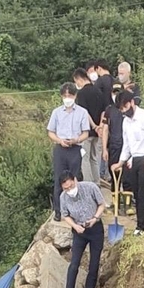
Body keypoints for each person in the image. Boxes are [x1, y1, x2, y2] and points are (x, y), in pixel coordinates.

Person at [112, 90, 144, 236]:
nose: (124, 111)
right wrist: (120, 162)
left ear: (132, 102)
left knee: (143, 192)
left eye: (125, 107)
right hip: (134, 160)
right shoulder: (126, 122)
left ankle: (142, 225)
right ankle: (141, 224)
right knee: (136, 193)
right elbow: (127, 145)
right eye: (121, 109)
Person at [58, 171, 106, 288]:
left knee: (94, 264)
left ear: (75, 180)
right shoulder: (63, 197)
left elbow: (102, 204)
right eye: (66, 188)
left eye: (71, 186)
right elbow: (65, 215)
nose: (69, 190)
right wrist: (75, 226)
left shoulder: (90, 187)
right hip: (79, 231)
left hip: (95, 229)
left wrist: (95, 218)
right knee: (74, 264)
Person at [47, 83, 92, 221]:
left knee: (75, 177)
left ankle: (76, 209)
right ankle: (58, 210)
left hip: (75, 148)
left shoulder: (82, 112)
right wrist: (60, 140)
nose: (67, 98)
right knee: (59, 179)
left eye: (70, 95)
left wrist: (76, 139)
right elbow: (50, 132)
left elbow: (86, 133)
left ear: (75, 96)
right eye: (65, 96)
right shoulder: (56, 112)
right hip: (61, 148)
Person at [72, 69, 104, 187]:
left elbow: (84, 112)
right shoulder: (98, 91)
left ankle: (88, 185)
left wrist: (94, 126)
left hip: (87, 131)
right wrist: (100, 126)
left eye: (77, 82)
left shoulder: (82, 94)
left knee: (85, 158)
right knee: (94, 158)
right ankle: (97, 183)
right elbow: (104, 110)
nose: (77, 85)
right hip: (98, 132)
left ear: (79, 79)